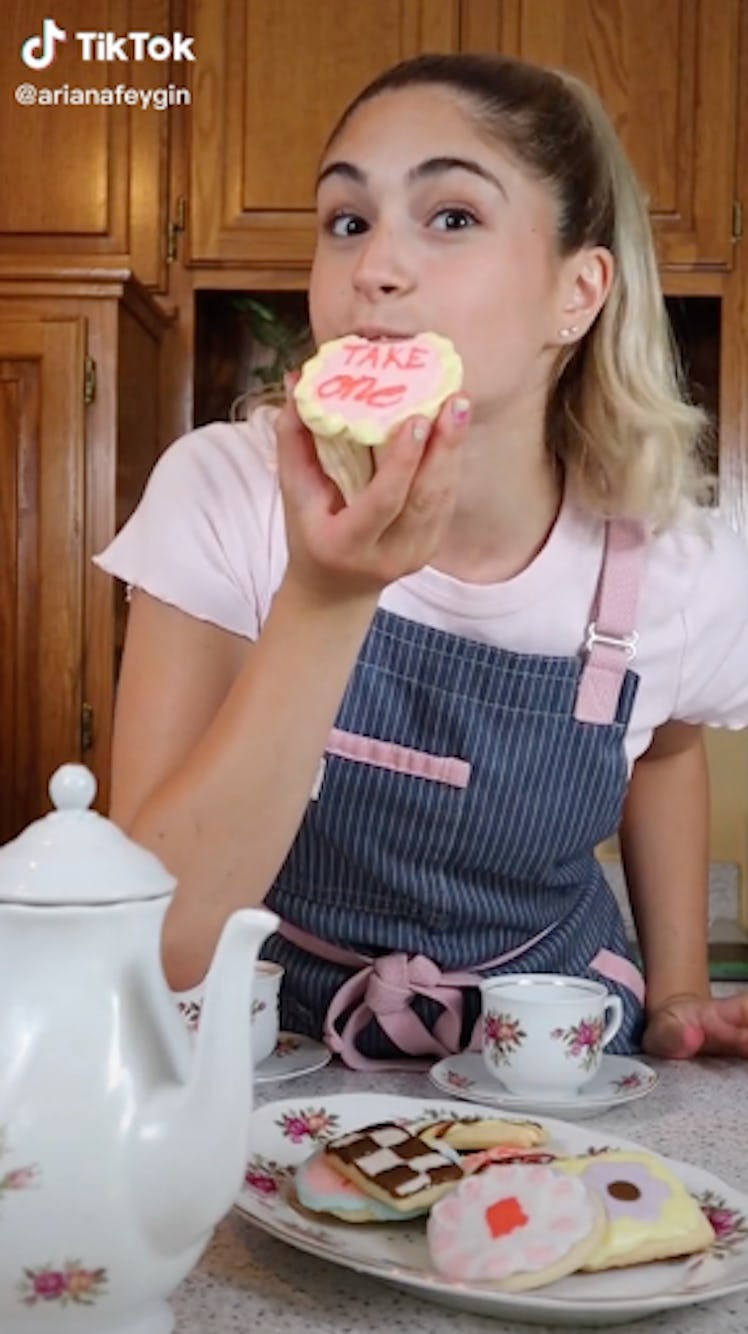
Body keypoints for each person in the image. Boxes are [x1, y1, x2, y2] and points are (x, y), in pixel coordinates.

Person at [96, 52, 748, 1069]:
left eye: (450, 217)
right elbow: (161, 944)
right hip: (274, 1043)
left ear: (576, 291)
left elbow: (661, 752)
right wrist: (325, 596)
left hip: (552, 1049)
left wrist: (677, 989)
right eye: (347, 221)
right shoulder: (225, 491)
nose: (376, 268)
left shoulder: (668, 561)